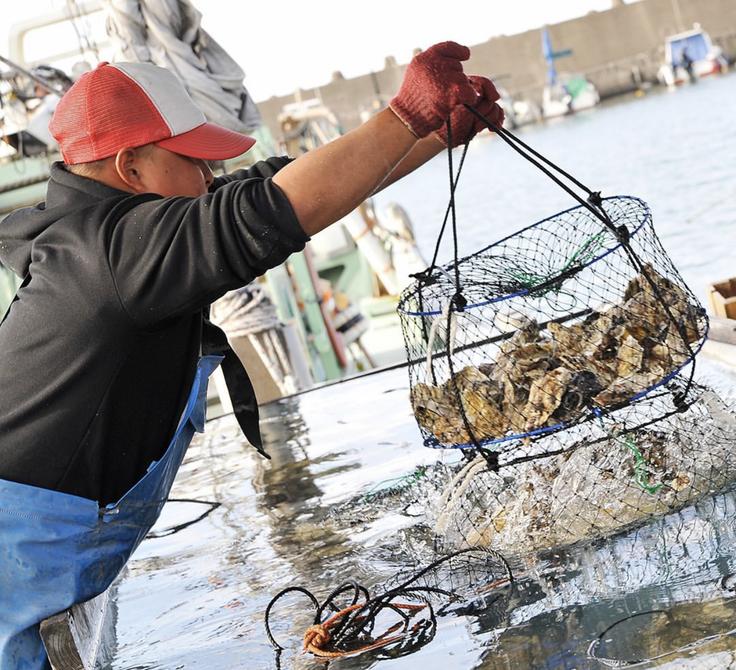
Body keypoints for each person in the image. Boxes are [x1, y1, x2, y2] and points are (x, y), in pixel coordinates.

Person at [0, 42, 503, 668]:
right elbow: (259, 215)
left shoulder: (99, 234)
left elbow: (269, 185)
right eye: (195, 162)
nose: (209, 180)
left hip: (45, 568)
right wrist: (402, 117)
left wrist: (430, 137)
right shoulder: (116, 252)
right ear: (131, 167)